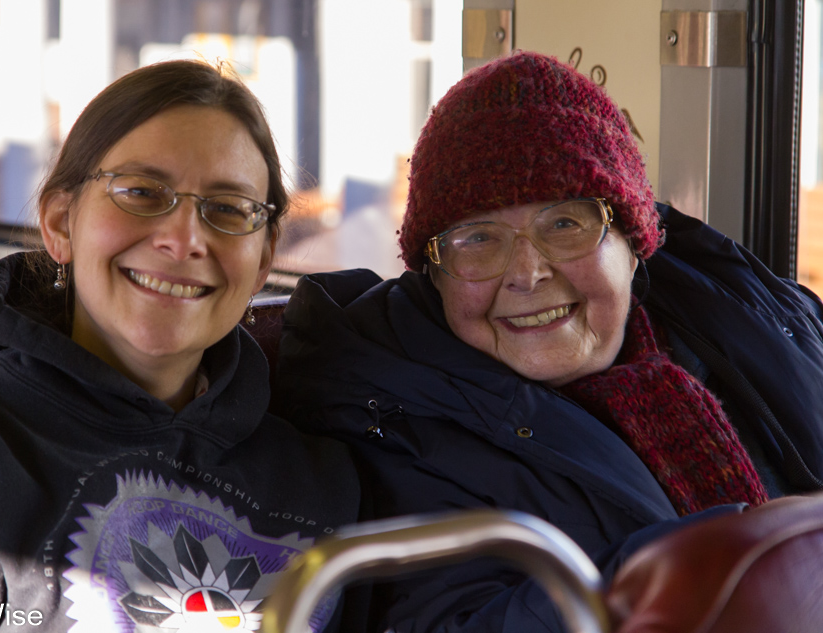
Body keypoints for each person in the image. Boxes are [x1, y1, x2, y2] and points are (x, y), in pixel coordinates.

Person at [274, 51, 823, 632]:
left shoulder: (749, 312)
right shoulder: (387, 419)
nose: (526, 272)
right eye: (478, 238)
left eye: (565, 224)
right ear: (433, 274)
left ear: (634, 242)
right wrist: (698, 572)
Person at [0, 60, 358, 632]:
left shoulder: (324, 475)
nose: (184, 240)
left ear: (264, 261)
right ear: (60, 223)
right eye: (141, 193)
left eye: (228, 209)